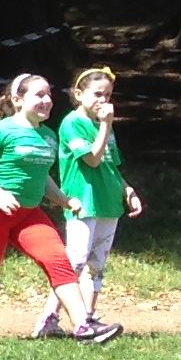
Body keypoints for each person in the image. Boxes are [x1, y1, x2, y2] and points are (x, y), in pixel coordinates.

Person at [0, 73, 114, 343]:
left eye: (49, 96)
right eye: (38, 95)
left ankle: (83, 328)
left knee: (59, 262)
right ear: (18, 100)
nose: (46, 101)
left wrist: (64, 200)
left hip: (27, 214)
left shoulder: (49, 136)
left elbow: (42, 178)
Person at [50, 68, 143, 338]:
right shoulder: (72, 123)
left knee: (96, 265)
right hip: (84, 201)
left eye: (109, 95)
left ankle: (88, 318)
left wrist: (128, 190)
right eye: (97, 94)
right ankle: (49, 318)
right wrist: (105, 125)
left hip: (108, 201)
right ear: (79, 94)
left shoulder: (105, 125)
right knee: (75, 262)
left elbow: (110, 165)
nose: (104, 100)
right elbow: (91, 159)